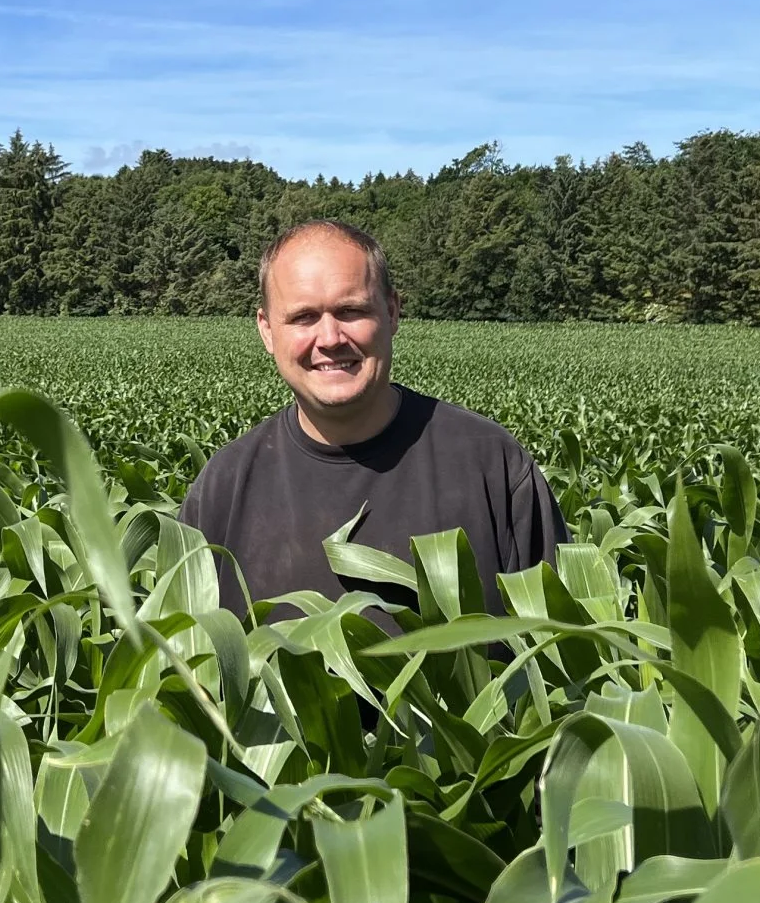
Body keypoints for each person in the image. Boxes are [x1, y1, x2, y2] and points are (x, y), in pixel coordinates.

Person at [178, 218, 566, 614]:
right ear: (267, 330)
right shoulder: (224, 488)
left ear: (393, 313)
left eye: (351, 311)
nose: (329, 339)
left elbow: (565, 652)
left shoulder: (491, 465)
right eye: (303, 317)